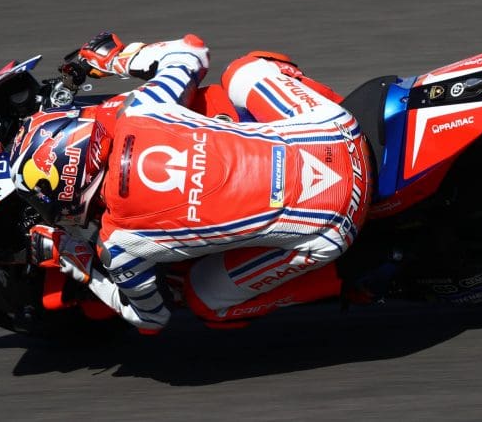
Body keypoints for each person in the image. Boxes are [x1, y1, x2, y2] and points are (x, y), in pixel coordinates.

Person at [20, 32, 372, 333]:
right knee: (242, 70)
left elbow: (150, 319)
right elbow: (192, 50)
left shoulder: (119, 243)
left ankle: (345, 279)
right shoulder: (140, 111)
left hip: (336, 221)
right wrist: (115, 59)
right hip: (339, 132)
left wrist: (78, 262)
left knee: (206, 302)